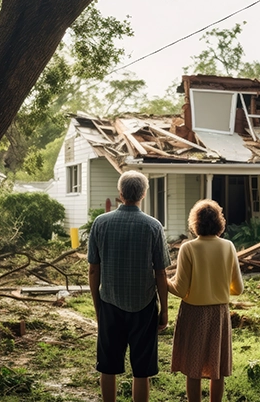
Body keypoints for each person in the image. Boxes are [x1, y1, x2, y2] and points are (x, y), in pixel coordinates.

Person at [88, 170, 170, 402]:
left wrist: (98, 307)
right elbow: (161, 272)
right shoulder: (153, 226)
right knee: (141, 371)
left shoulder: (101, 223)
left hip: (110, 303)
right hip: (143, 307)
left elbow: (94, 269)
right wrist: (164, 309)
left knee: (108, 366)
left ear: (120, 193)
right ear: (143, 194)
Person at [168, 199, 244, 402]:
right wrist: (216, 287)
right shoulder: (228, 246)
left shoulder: (189, 248)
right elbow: (238, 289)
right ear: (220, 222)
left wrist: (162, 280)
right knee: (216, 367)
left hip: (194, 313)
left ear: (195, 223)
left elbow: (180, 289)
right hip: (219, 313)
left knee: (193, 368)